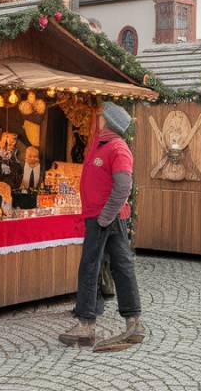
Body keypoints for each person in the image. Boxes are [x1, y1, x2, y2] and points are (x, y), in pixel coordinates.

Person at [60, 102, 143, 350]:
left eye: (100, 116)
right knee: (120, 265)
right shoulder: (102, 143)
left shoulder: (118, 148)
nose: (97, 119)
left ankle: (86, 326)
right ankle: (132, 322)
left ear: (107, 121)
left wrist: (105, 216)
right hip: (103, 216)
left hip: (105, 217)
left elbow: (123, 186)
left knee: (91, 267)